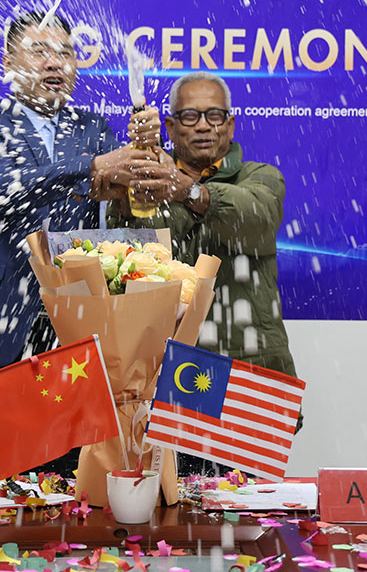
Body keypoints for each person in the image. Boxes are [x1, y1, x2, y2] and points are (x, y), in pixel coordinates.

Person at [0, 11, 157, 480]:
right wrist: (93, 166)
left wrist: (144, 160)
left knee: (66, 473)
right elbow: (5, 190)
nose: (55, 62)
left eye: (65, 53)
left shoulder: (95, 129)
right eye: (39, 51)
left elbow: (123, 212)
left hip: (73, 323)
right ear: (8, 63)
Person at [97, 71, 299, 475]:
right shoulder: (148, 184)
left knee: (250, 508)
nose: (204, 125)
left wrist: (188, 190)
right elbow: (138, 255)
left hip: (248, 375)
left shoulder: (260, 177)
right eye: (190, 116)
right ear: (171, 127)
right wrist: (142, 178)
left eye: (214, 115)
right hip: (170, 377)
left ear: (230, 125)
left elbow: (256, 220)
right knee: (173, 505)